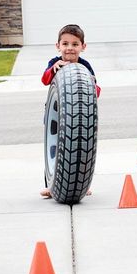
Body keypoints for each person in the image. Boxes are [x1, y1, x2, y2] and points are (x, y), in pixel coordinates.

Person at [40, 24, 101, 198]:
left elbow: (96, 92)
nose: (70, 48)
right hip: (57, 118)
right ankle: (51, 186)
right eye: (65, 44)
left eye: (75, 44)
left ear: (83, 47)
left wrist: (90, 83)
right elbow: (44, 80)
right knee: (54, 151)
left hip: (81, 120)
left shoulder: (85, 66)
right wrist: (53, 69)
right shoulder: (55, 63)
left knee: (83, 150)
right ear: (58, 46)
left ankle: (82, 185)